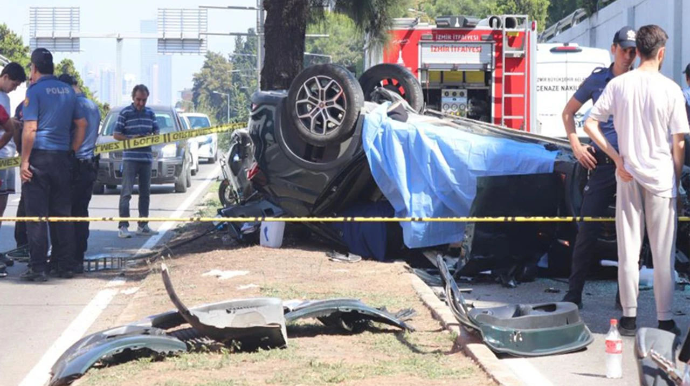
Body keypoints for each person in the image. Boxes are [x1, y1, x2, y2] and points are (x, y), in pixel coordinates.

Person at [584, 25, 690, 336]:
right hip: (660, 177)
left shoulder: (619, 85)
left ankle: (629, 317)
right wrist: (676, 178)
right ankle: (664, 319)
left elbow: (591, 124)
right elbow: (679, 141)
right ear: (661, 53)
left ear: (637, 51)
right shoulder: (670, 89)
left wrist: (617, 158)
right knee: (662, 252)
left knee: (628, 249)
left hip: (627, 174)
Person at [560, 27, 638, 309]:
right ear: (613, 49)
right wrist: (576, 146)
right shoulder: (598, 80)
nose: (630, 56)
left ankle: (625, 296)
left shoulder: (640, 80)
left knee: (631, 232)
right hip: (604, 165)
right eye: (625, 49)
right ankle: (574, 292)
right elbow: (568, 113)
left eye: (634, 51)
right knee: (587, 228)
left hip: (633, 165)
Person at [19, 48, 87, 281]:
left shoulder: (34, 91)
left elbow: (30, 128)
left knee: (36, 216)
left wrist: (24, 161)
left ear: (34, 68)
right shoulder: (68, 91)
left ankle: (38, 268)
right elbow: (82, 124)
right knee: (62, 214)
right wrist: (71, 150)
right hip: (61, 159)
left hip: (39, 157)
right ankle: (65, 265)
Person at [57, 74, 101, 273]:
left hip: (74, 164)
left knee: (66, 213)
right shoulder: (92, 105)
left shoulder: (72, 105)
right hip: (89, 165)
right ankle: (79, 256)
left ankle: (68, 259)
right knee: (81, 212)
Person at [115, 84, 159, 238]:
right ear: (133, 98)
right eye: (138, 100)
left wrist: (150, 137)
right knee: (126, 192)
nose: (141, 103)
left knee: (145, 193)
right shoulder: (125, 113)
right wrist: (130, 139)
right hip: (130, 159)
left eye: (144, 100)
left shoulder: (150, 113)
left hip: (146, 158)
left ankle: (143, 224)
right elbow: (116, 134)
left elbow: (157, 131)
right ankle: (123, 226)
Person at [0, 62, 27, 268]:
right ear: (5, 76)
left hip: (7, 158)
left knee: (2, 207)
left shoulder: (6, 98)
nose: (14, 88)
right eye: (14, 84)